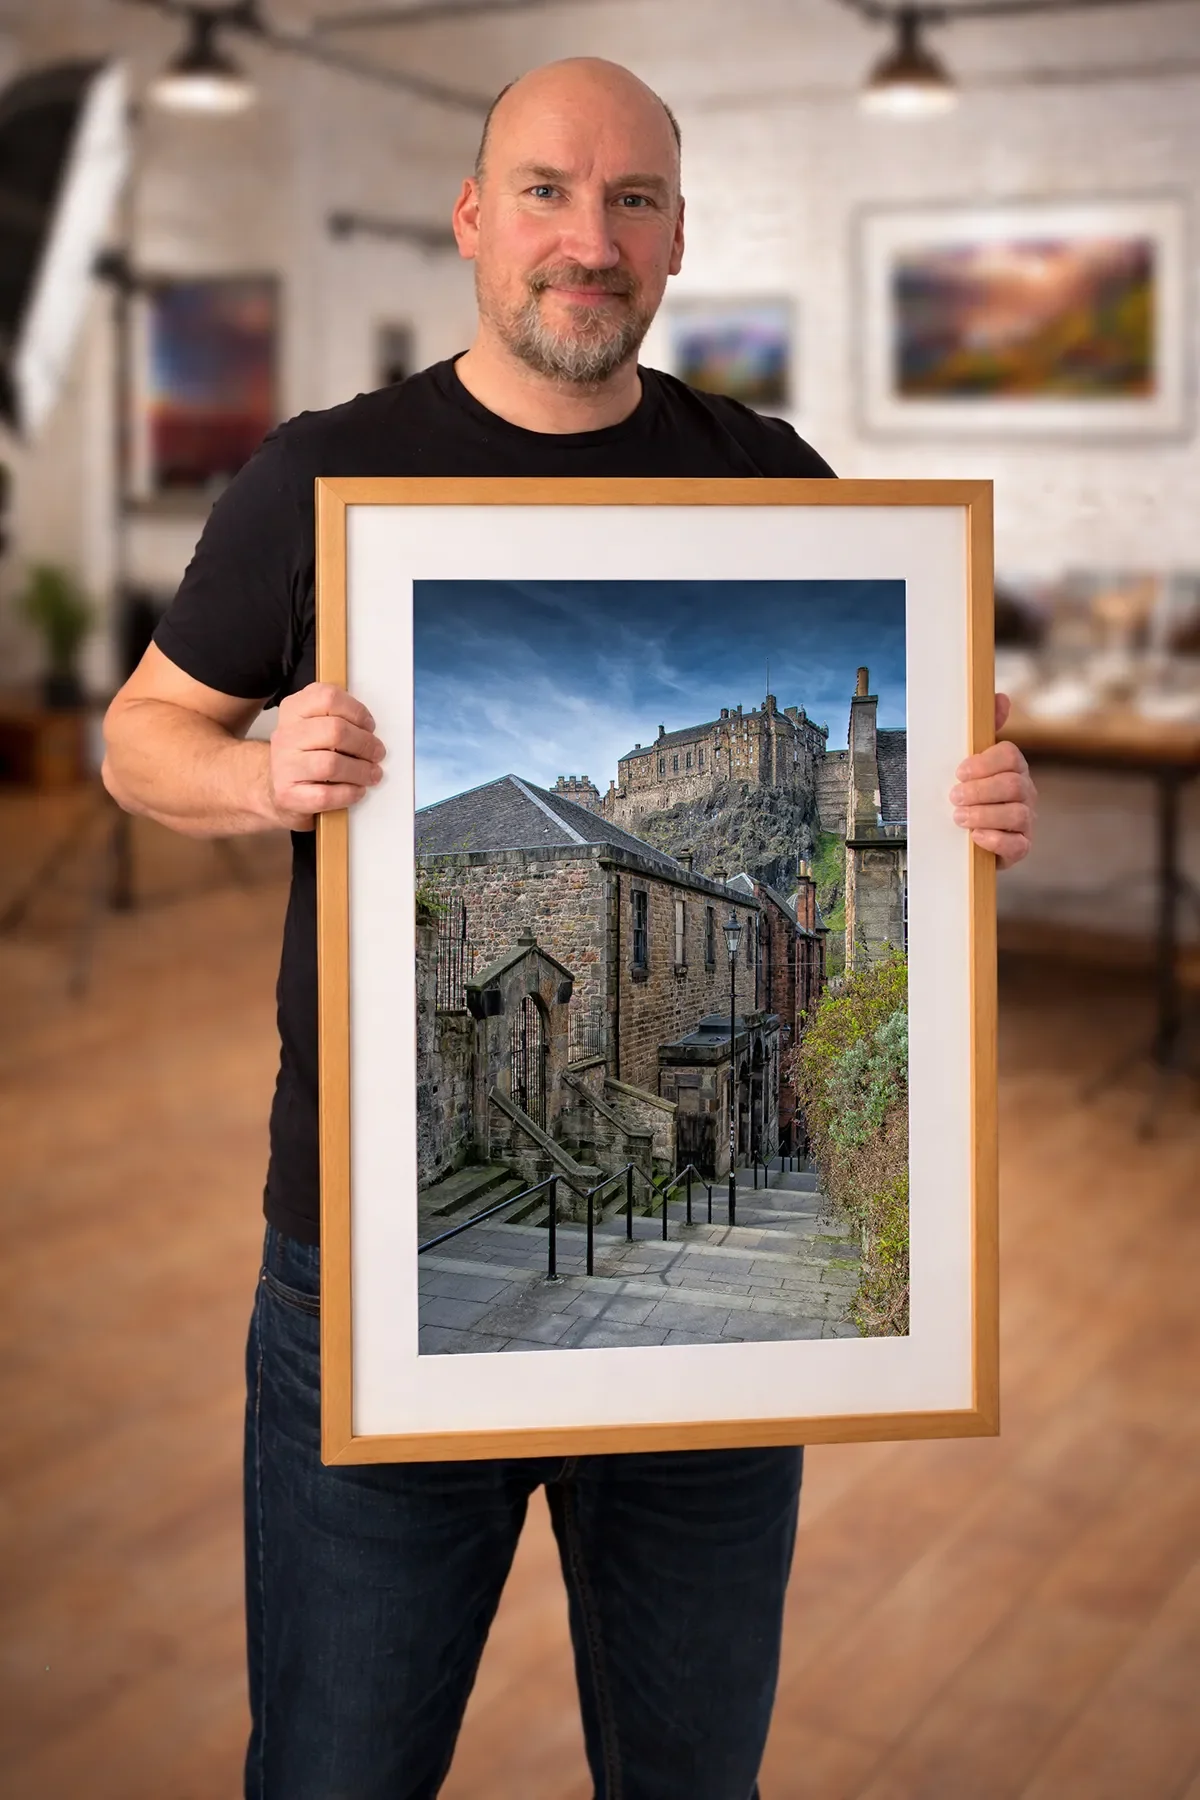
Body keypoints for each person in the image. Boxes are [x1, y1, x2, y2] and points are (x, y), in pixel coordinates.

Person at [102, 56, 1036, 1800]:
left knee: (693, 1778)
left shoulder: (773, 476)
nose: (584, 241)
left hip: (705, 1392)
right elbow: (137, 737)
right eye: (544, 191)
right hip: (359, 1271)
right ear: (475, 219)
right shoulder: (322, 474)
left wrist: (977, 803)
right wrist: (260, 777)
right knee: (333, 1770)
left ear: (677, 236)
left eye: (629, 201)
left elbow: (923, 743)